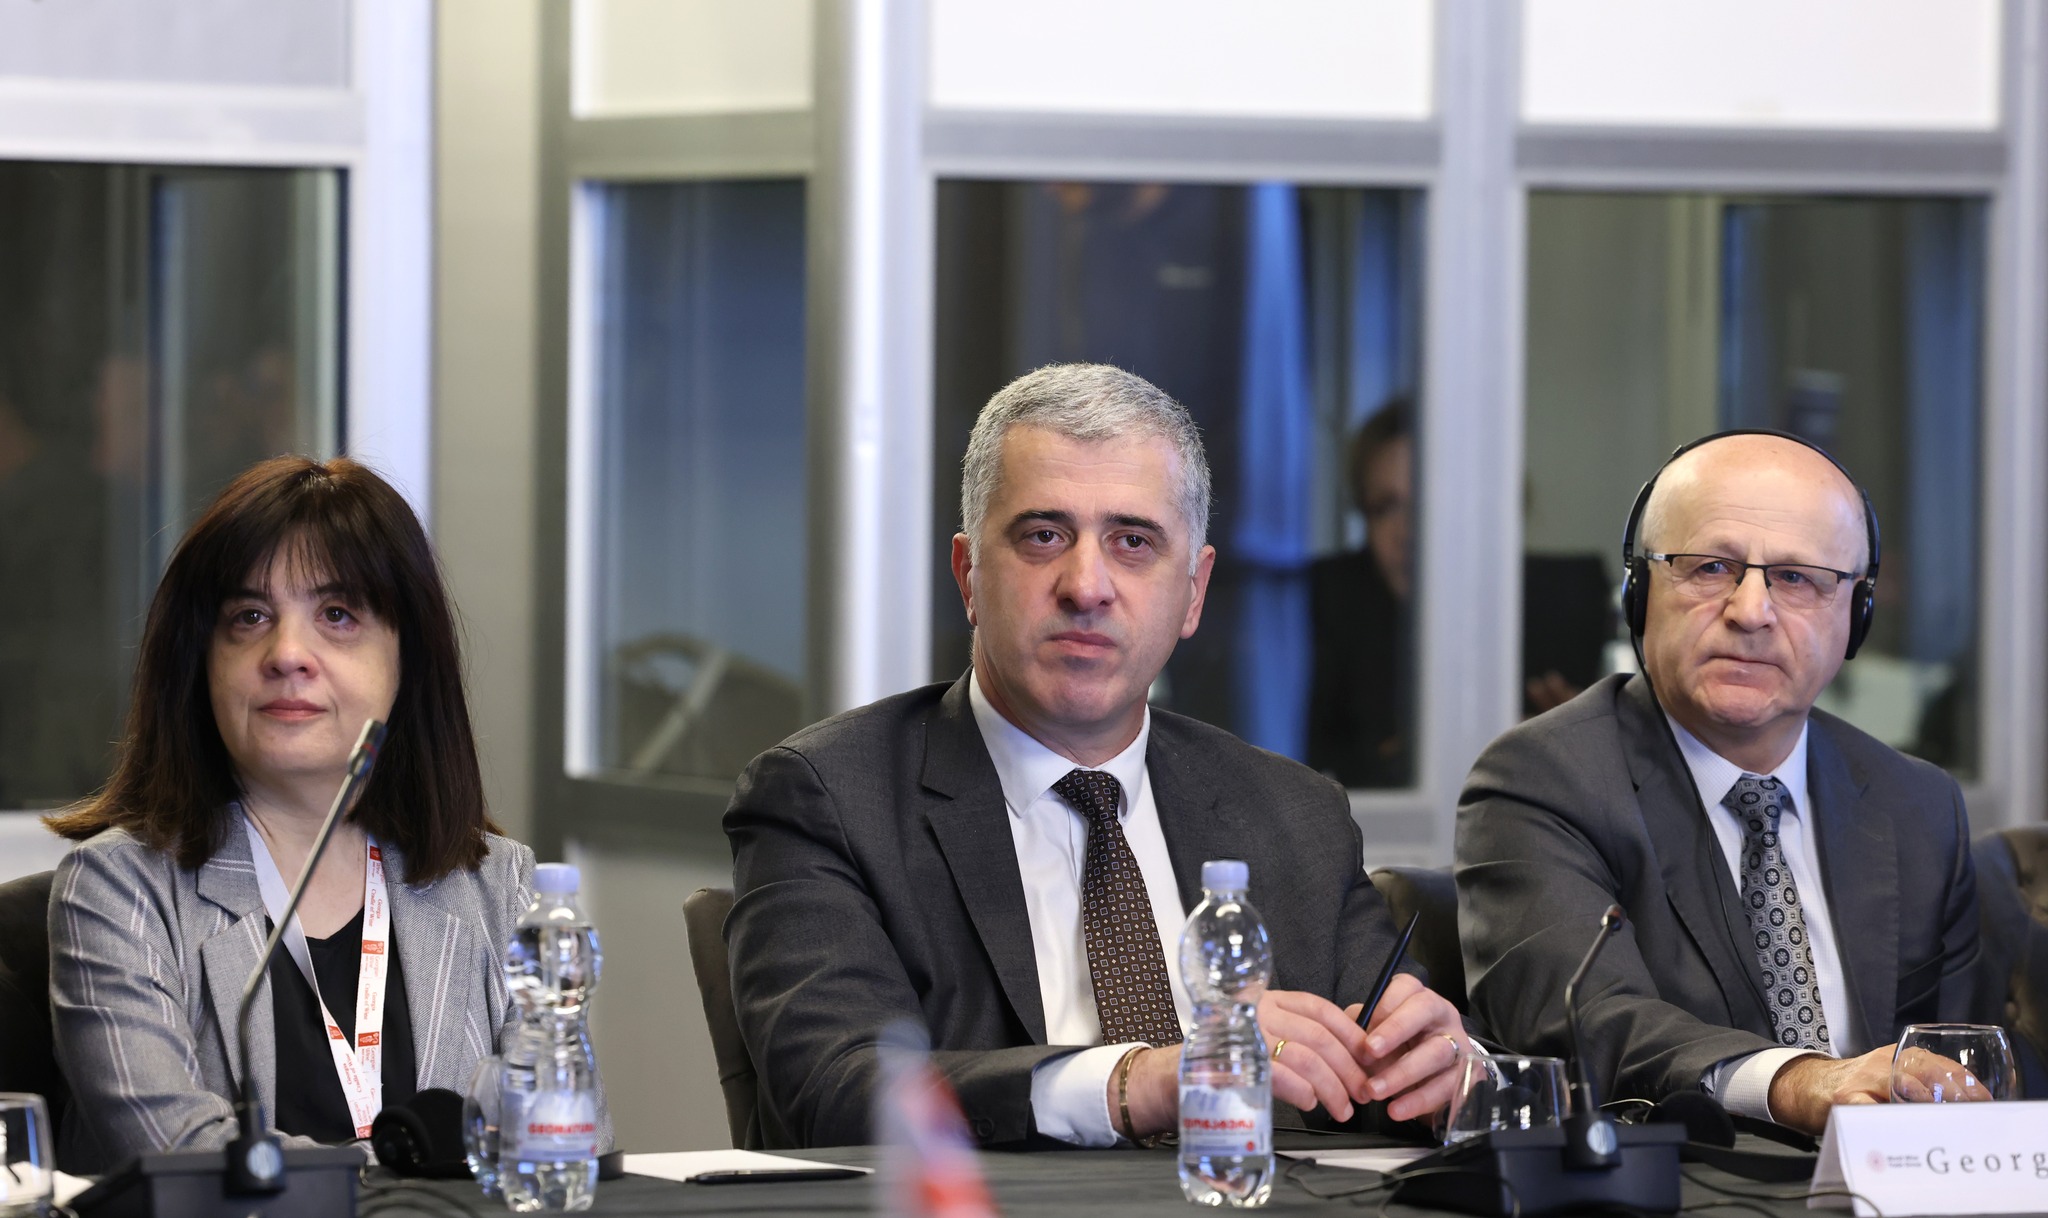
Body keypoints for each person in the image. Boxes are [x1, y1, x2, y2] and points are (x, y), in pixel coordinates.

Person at [725, 364, 1466, 1150]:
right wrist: (1137, 1082)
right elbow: (834, 1089)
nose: (1086, 585)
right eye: (1043, 536)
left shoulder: (1295, 813)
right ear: (969, 575)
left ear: (1194, 592)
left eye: (1133, 542)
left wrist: (1444, 1073)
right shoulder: (829, 800)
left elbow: (1389, 1074)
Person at [45, 456, 600, 1171]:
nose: (287, 654)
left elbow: (568, 1146)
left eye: (337, 615)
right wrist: (415, 1168)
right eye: (249, 617)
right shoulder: (119, 891)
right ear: (201, 663)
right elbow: (183, 1159)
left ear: (407, 659)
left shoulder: (500, 888)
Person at [1456, 431, 1979, 1136]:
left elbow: (1953, 1068)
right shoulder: (1543, 781)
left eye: (1796, 577)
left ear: (1856, 615)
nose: (1750, 611)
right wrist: (1797, 1082)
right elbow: (1586, 1026)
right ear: (1638, 593)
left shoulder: (1919, 807)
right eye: (1710, 567)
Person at [1307, 401, 1612, 788]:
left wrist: (1583, 747)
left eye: (1430, 503)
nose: (1408, 532)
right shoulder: (1330, 610)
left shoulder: (1566, 608)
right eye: (1385, 508)